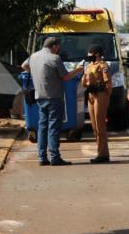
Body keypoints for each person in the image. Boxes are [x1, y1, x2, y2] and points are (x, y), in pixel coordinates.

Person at [22, 37, 83, 166]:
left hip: (40, 97)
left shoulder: (33, 56)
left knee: (42, 127)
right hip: (54, 97)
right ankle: (55, 157)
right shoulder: (54, 58)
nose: (58, 50)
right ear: (54, 46)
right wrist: (78, 70)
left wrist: (35, 72)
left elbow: (24, 66)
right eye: (58, 47)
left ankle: (42, 157)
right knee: (53, 128)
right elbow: (65, 77)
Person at [82, 44, 111, 164]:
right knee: (94, 127)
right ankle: (100, 152)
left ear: (97, 54)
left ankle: (103, 154)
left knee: (100, 125)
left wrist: (105, 97)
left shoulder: (103, 65)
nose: (88, 56)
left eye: (90, 54)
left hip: (100, 95)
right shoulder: (89, 66)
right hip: (91, 96)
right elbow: (84, 80)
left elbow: (108, 84)